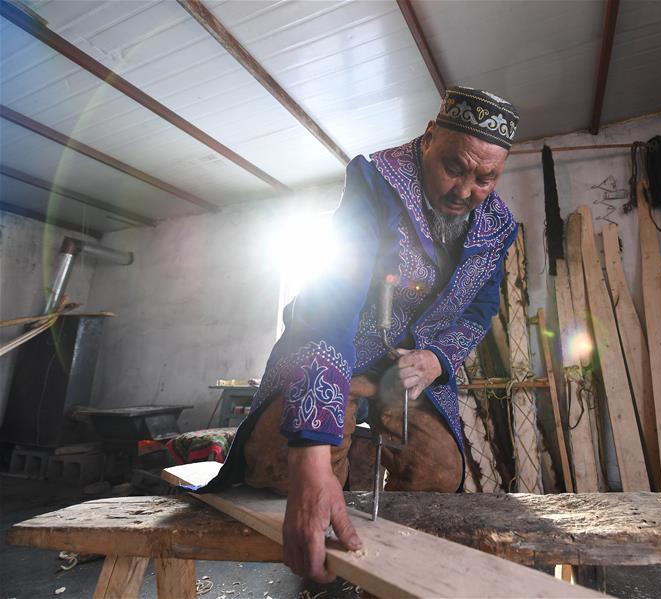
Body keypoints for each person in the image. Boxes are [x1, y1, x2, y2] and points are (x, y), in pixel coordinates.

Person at [199, 86, 520, 582]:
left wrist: (437, 358)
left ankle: (381, 561)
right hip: (336, 350)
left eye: (486, 178)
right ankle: (325, 531)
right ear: (430, 136)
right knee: (284, 468)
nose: (465, 190)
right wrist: (311, 461)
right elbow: (333, 301)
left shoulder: (497, 226)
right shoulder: (377, 181)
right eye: (455, 167)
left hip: (407, 369)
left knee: (440, 470)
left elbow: (481, 307)